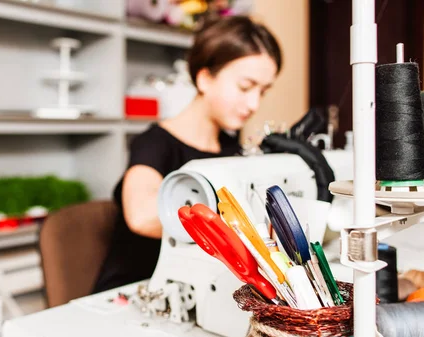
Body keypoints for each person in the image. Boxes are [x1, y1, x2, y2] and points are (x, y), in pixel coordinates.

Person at [92, 15, 283, 293]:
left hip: (200, 290)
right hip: (136, 293)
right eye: (245, 87)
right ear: (205, 78)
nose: (254, 103)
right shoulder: (154, 143)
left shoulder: (231, 152)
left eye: (263, 91)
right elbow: (142, 217)